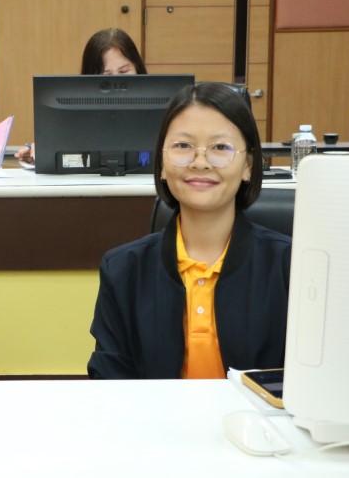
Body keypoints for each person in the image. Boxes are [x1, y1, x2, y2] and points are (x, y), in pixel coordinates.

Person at [87, 82, 291, 379]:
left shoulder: (291, 266)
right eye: (183, 146)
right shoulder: (123, 270)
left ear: (248, 165)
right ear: (161, 163)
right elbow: (109, 384)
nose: (200, 162)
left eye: (220, 147)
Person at [15, 27, 147, 164]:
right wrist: (41, 154)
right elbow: (60, 152)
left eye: (124, 71)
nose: (117, 83)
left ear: (137, 69)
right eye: (106, 76)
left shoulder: (157, 116)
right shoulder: (73, 119)